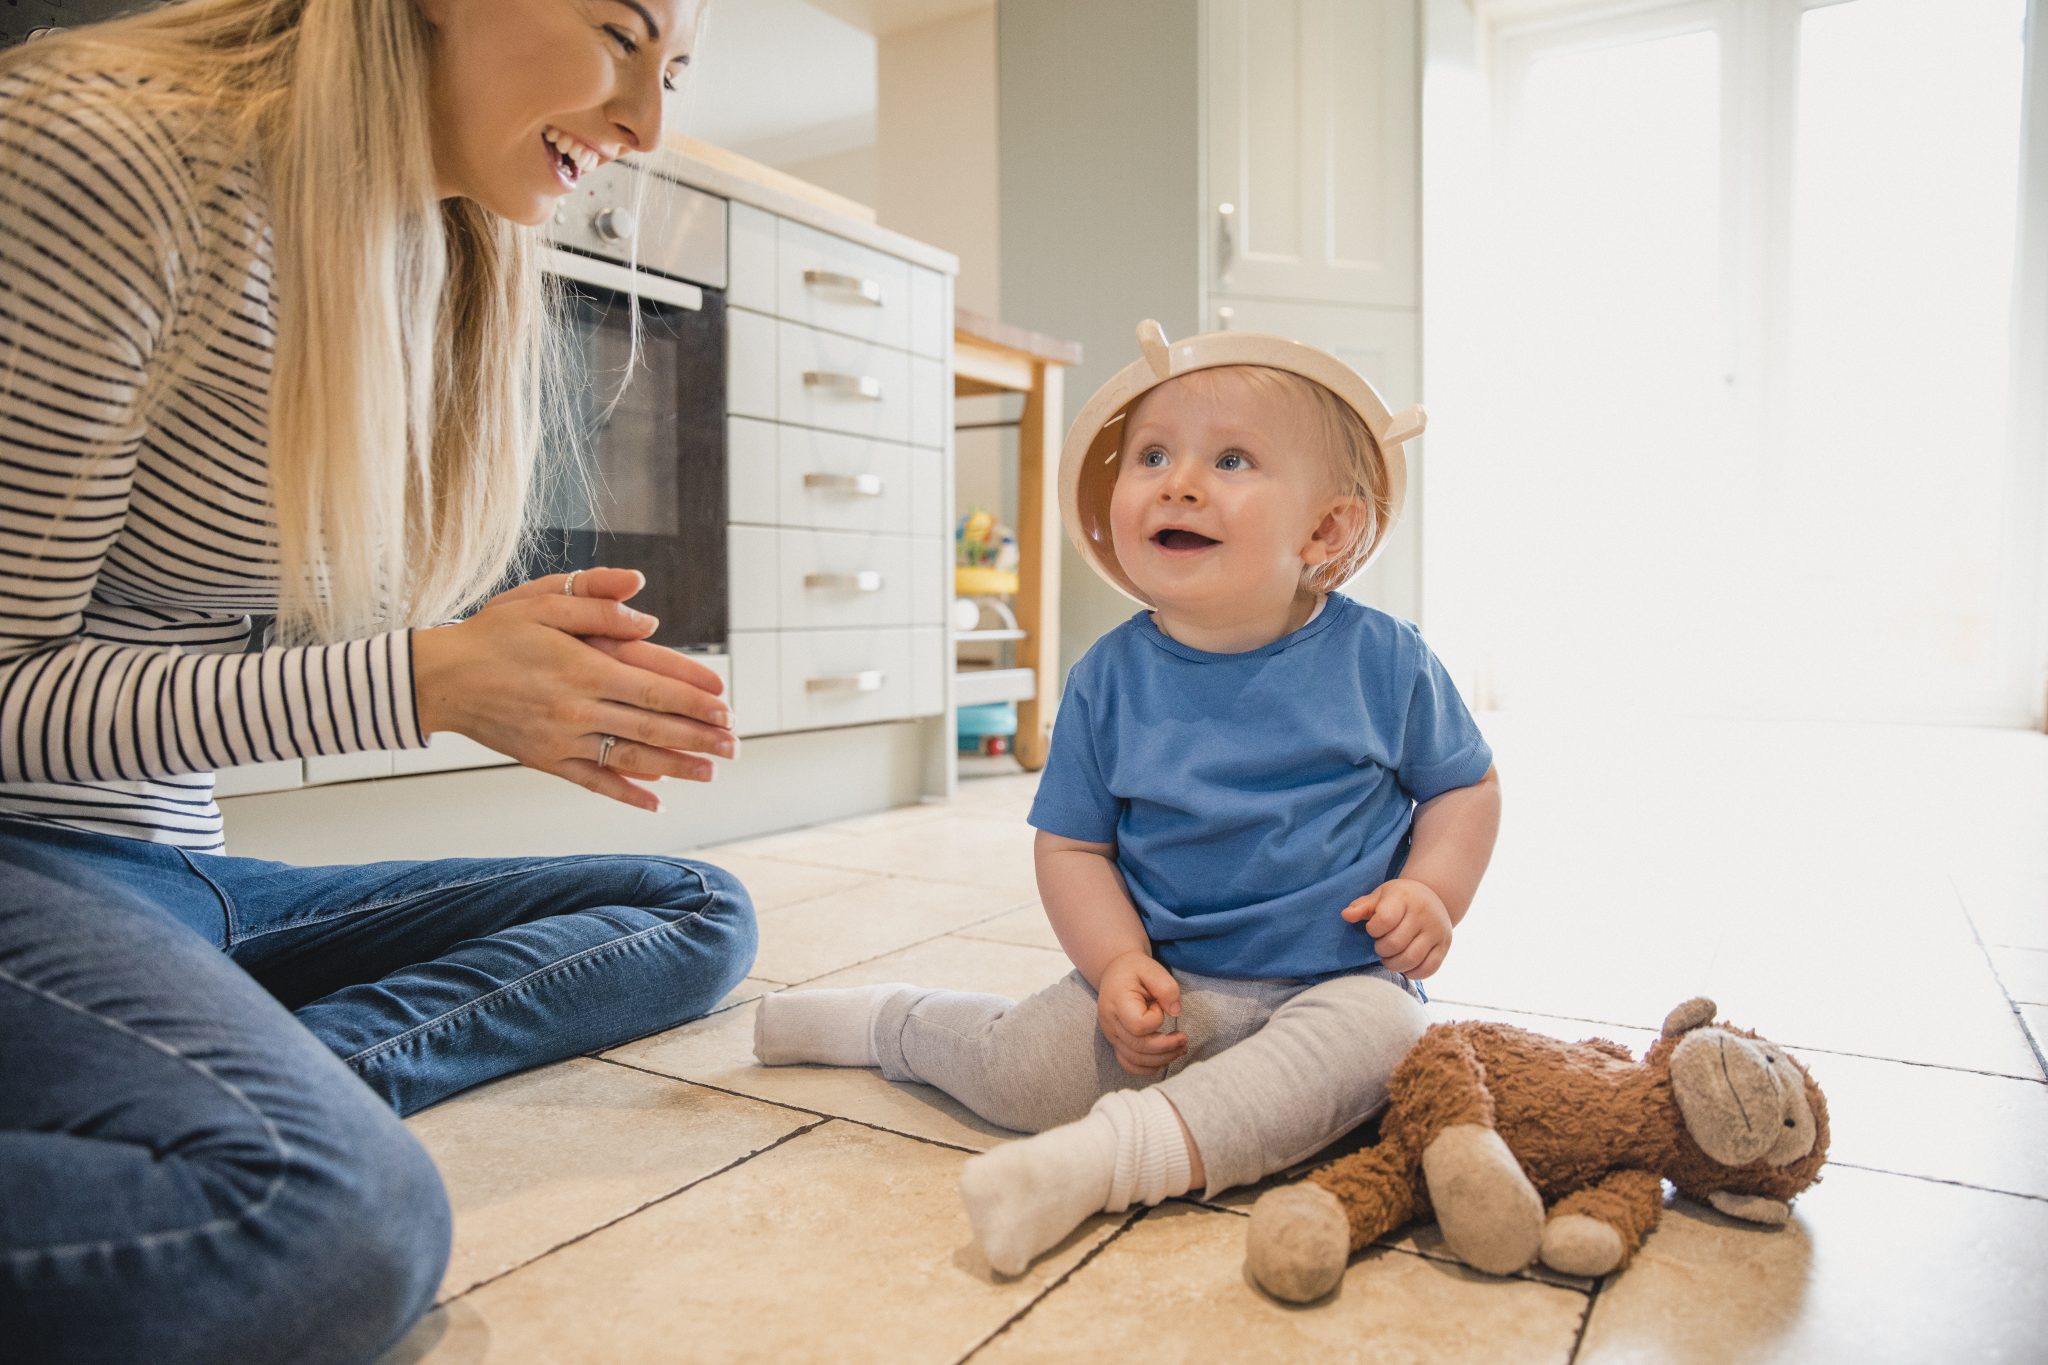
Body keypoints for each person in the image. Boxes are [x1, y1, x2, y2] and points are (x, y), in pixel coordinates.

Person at [0, 2, 753, 1361]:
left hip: (170, 877)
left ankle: (234, 1084)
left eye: (678, 71)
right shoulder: (111, 156)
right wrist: (424, 680)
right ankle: (256, 1115)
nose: (651, 123)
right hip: (30, 863)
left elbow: (200, 643)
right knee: (333, 1223)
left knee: (690, 908)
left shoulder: (432, 245)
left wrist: (495, 656)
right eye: (618, 34)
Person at [754, 321, 1503, 1276]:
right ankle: (883, 1022)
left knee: (1391, 1040)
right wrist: (1112, 966)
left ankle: (1105, 1164)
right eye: (1152, 456)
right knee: (1016, 1072)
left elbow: (1464, 786)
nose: (1178, 481)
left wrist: (1434, 890)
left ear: (1326, 530)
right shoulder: (1107, 679)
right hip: (1168, 984)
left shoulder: (1384, 659)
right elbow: (1073, 849)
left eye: (1230, 459)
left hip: (1338, 979)